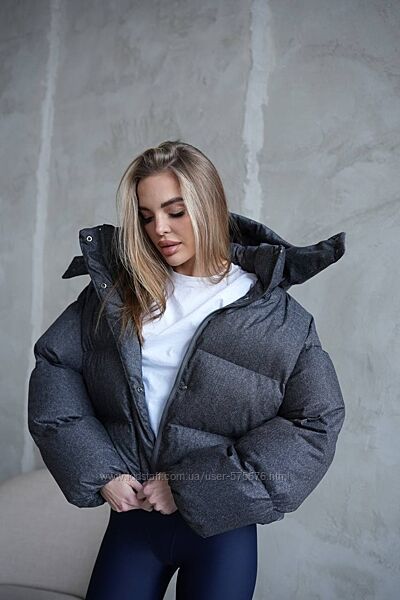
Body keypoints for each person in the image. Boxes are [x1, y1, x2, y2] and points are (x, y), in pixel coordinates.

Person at [28, 140, 346, 600]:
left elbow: (316, 421)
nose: (159, 229)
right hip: (133, 520)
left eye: (175, 211)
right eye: (146, 216)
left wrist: (190, 487)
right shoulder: (119, 294)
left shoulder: (275, 316)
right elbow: (56, 368)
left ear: (209, 205)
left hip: (221, 529)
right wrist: (99, 470)